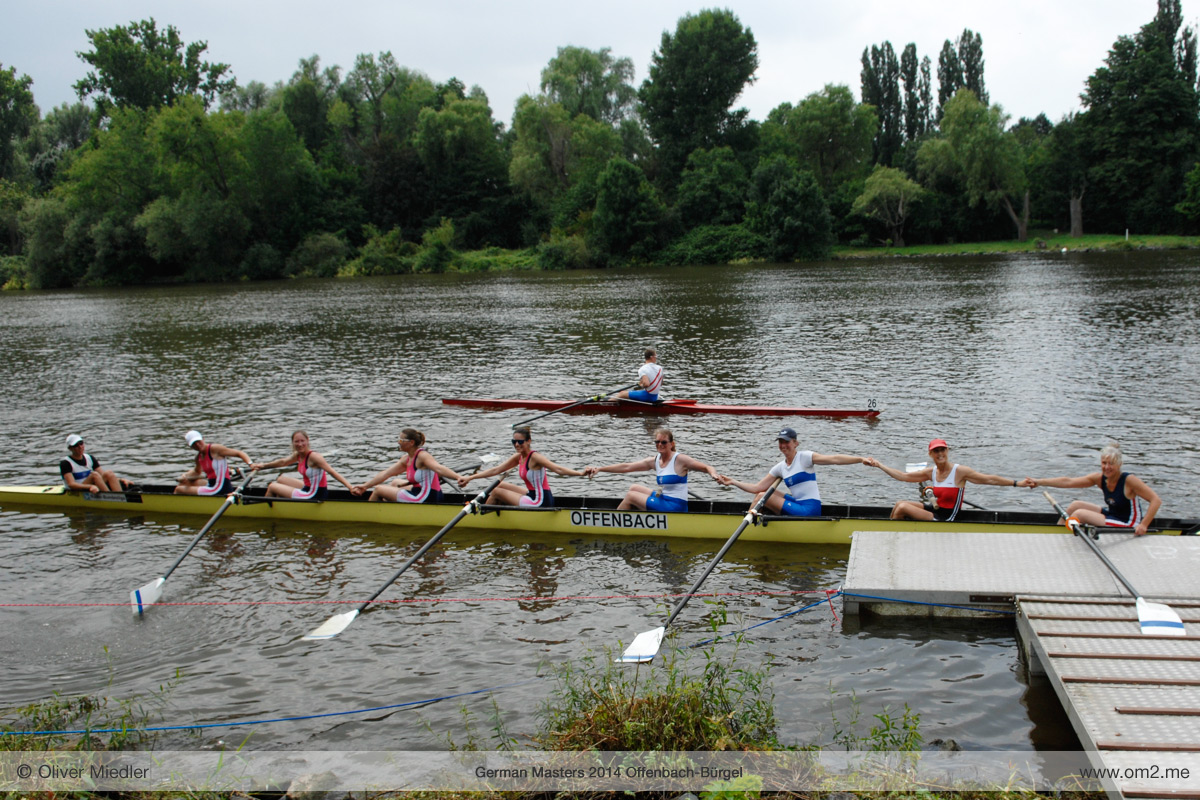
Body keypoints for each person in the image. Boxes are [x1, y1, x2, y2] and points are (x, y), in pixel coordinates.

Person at [716, 428, 870, 516]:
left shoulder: (805, 457)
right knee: (762, 493)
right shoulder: (779, 467)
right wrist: (733, 482)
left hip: (810, 509)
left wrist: (859, 459)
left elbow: (834, 459)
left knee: (763, 496)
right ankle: (756, 516)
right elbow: (757, 487)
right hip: (797, 504)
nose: (783, 445)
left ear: (795, 443)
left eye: (787, 442)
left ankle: (750, 518)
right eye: (780, 442)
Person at [864, 438, 1023, 521]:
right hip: (936, 510)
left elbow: (990, 480)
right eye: (936, 451)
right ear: (930, 455)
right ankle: (895, 529)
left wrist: (1016, 483)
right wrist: (880, 465)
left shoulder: (960, 471)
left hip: (947, 518)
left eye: (942, 450)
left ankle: (893, 535)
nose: (940, 454)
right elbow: (903, 477)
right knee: (899, 503)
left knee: (903, 507)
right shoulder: (931, 472)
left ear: (947, 451)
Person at [1024, 442, 1162, 536]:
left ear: (1119, 464)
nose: (1107, 467)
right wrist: (1039, 482)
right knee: (1075, 505)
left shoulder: (1129, 480)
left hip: (1128, 523)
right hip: (1112, 515)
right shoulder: (1099, 478)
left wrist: (1143, 525)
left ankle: (1063, 540)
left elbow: (1156, 500)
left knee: (1080, 514)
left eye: (1111, 464)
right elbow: (1068, 481)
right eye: (1104, 463)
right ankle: (1056, 536)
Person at [583, 428, 719, 512]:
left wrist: (713, 474)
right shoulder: (655, 461)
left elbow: (706, 467)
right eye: (657, 442)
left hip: (676, 506)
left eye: (664, 442)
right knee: (633, 488)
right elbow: (627, 467)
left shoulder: (680, 460)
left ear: (671, 444)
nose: (660, 445)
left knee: (631, 496)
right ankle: (639, 519)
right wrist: (600, 469)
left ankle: (615, 523)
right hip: (664, 499)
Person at [457, 426, 583, 507]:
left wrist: (581, 473)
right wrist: (470, 478)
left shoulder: (535, 457)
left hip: (540, 501)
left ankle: (482, 513)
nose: (517, 445)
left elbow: (558, 469)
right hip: (532, 494)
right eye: (514, 442)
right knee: (499, 485)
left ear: (529, 441)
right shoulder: (518, 457)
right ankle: (492, 507)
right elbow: (496, 470)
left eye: (520, 442)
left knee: (496, 491)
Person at [351, 428, 462, 503]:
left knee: (379, 489)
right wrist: (365, 486)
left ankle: (371, 516)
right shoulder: (406, 459)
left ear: (411, 443)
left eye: (401, 440)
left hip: (426, 497)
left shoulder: (422, 456)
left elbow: (439, 468)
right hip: (419, 491)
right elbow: (386, 473)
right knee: (395, 482)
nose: (398, 442)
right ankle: (391, 511)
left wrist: (458, 477)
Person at [251, 430, 353, 500]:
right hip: (308, 488)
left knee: (272, 486)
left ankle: (266, 509)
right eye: (296, 442)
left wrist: (350, 487)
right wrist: (263, 466)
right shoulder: (298, 455)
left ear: (307, 441)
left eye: (302, 441)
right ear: (293, 443)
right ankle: (279, 504)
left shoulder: (314, 457)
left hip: (315, 494)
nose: (300, 444)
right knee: (280, 479)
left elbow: (332, 472)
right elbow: (283, 462)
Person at [175, 430, 254, 496]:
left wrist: (251, 464)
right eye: (194, 444)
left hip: (220, 489)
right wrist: (185, 476)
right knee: (189, 483)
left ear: (203, 439)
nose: (197, 445)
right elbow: (197, 472)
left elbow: (239, 453)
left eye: (198, 441)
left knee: (178, 489)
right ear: (191, 447)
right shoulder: (198, 458)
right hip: (212, 485)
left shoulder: (215, 449)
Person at [60, 434, 132, 493]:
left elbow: (103, 475)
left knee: (109, 473)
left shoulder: (90, 458)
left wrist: (121, 480)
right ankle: (110, 498)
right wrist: (90, 486)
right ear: (70, 448)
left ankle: (120, 497)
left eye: (81, 443)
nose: (80, 447)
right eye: (76, 445)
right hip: (76, 491)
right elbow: (71, 484)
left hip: (91, 487)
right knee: (94, 475)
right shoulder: (66, 463)